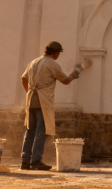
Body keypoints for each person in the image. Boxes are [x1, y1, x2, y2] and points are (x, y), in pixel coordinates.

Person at [20, 41, 82, 171]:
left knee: (30, 130)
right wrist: (74, 74)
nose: (58, 55)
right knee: (41, 131)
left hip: (31, 100)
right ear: (54, 52)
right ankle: (36, 160)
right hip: (43, 101)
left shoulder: (33, 62)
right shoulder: (52, 63)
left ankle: (25, 161)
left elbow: (23, 78)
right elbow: (65, 80)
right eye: (58, 53)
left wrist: (29, 93)